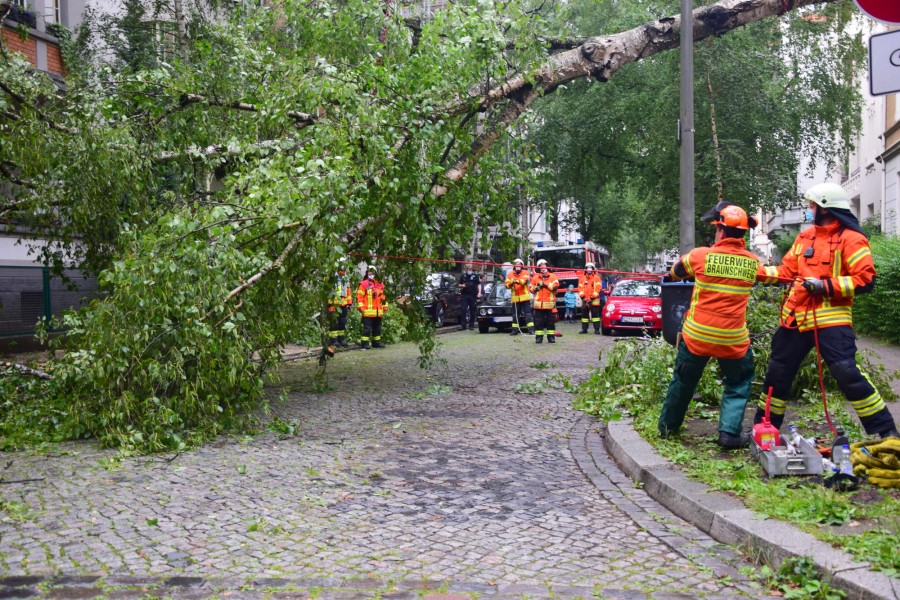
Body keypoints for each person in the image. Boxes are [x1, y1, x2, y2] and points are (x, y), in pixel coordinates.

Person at [754, 183, 899, 439]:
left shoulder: (852, 239)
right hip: (796, 318)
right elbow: (787, 272)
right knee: (777, 374)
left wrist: (825, 285)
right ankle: (765, 429)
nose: (809, 210)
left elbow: (865, 280)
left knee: (848, 374)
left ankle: (886, 432)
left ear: (824, 208)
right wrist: (757, 273)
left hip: (831, 321)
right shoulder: (805, 237)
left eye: (812, 205)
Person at [658, 201, 762, 449]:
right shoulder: (752, 262)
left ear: (722, 231)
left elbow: (676, 272)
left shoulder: (700, 256)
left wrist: (673, 273)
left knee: (683, 381)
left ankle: (668, 428)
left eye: (716, 228)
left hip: (698, 337)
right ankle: (729, 434)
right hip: (732, 340)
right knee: (738, 383)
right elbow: (771, 275)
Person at [356, 265, 388, 349]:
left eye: (372, 272)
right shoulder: (363, 284)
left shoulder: (380, 284)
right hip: (367, 312)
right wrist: (361, 307)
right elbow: (359, 297)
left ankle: (376, 343)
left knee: (377, 329)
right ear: (367, 273)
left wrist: (385, 306)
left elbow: (383, 297)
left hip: (378, 312)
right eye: (369, 272)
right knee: (367, 329)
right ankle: (365, 344)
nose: (371, 274)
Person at [530, 259, 559, 343]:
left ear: (547, 266)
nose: (543, 267)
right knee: (538, 323)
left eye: (544, 265)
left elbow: (555, 287)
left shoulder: (553, 276)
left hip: (549, 305)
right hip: (538, 305)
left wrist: (546, 285)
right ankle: (539, 338)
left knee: (550, 322)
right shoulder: (535, 278)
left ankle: (551, 338)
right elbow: (531, 289)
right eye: (541, 265)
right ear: (539, 268)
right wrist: (537, 287)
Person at [505, 258, 534, 336]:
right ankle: (515, 330)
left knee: (528, 314)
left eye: (519, 264)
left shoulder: (525, 272)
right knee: (515, 315)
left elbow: (525, 281)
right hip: (515, 298)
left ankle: (531, 330)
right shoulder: (510, 274)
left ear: (522, 265)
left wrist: (516, 281)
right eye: (516, 264)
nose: (517, 266)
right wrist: (510, 283)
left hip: (525, 298)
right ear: (514, 266)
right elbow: (507, 284)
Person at [328, 259, 353, 348]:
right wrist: (330, 304)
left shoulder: (346, 278)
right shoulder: (332, 278)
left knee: (342, 322)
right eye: (341, 270)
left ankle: (340, 339)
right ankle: (333, 340)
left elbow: (348, 291)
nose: (343, 272)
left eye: (344, 270)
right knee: (334, 322)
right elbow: (328, 292)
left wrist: (349, 303)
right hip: (334, 304)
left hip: (344, 304)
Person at [578, 262, 603, 334]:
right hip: (585, 300)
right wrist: (583, 297)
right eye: (587, 267)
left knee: (595, 316)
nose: (589, 269)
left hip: (594, 300)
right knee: (584, 316)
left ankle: (597, 329)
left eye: (590, 267)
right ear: (585, 269)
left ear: (593, 269)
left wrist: (591, 297)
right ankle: (584, 329)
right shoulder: (582, 278)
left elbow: (598, 288)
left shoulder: (597, 278)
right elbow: (580, 289)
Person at [458, 264, 482, 331]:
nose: (469, 270)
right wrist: (463, 286)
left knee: (473, 310)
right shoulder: (463, 276)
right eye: (468, 268)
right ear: (466, 269)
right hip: (464, 295)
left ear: (472, 269)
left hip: (473, 295)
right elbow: (459, 284)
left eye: (470, 268)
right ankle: (463, 325)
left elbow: (479, 284)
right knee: (463, 309)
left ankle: (471, 325)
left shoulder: (475, 276)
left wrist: (479, 292)